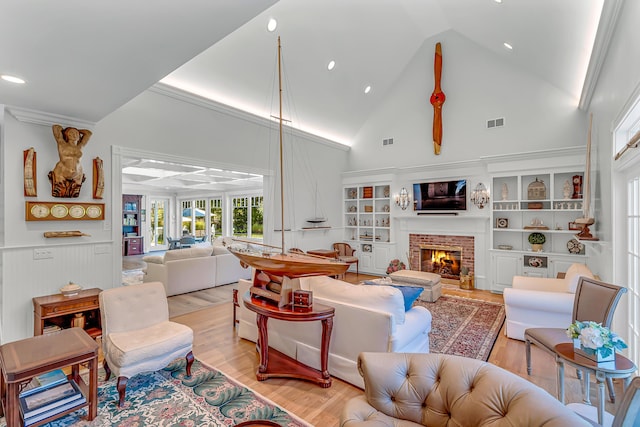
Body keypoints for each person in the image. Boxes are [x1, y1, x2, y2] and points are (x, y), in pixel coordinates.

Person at [49, 124, 92, 197]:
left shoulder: (80, 146)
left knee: (74, 194)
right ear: (67, 135)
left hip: (77, 174)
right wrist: (64, 131)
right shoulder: (62, 144)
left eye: (76, 133)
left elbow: (88, 133)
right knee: (59, 192)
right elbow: (56, 127)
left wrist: (78, 130)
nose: (74, 135)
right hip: (62, 172)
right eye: (71, 133)